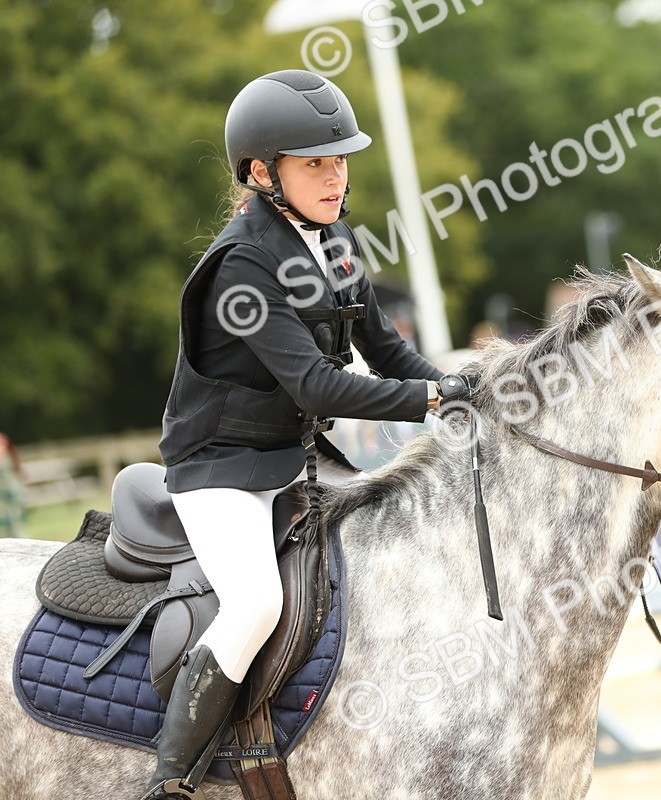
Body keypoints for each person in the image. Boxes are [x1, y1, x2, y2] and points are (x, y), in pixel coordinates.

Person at [147, 70, 471, 799]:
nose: (335, 177)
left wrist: (464, 389)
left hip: (291, 458)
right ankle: (170, 777)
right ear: (263, 173)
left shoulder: (335, 240)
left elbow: (388, 353)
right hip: (220, 467)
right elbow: (319, 387)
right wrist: (428, 399)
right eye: (314, 163)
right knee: (258, 602)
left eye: (340, 160)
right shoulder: (240, 266)